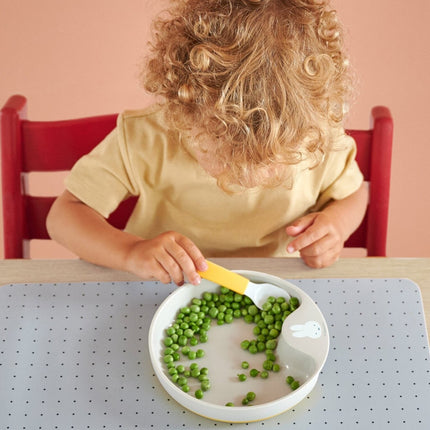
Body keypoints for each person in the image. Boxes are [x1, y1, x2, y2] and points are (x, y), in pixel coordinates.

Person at [46, 0, 368, 286]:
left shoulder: (317, 136)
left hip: (277, 284)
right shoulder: (147, 137)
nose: (249, 178)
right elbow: (64, 217)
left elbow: (354, 194)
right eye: (225, 156)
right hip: (163, 284)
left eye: (271, 162)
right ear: (183, 111)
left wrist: (335, 226)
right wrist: (131, 252)